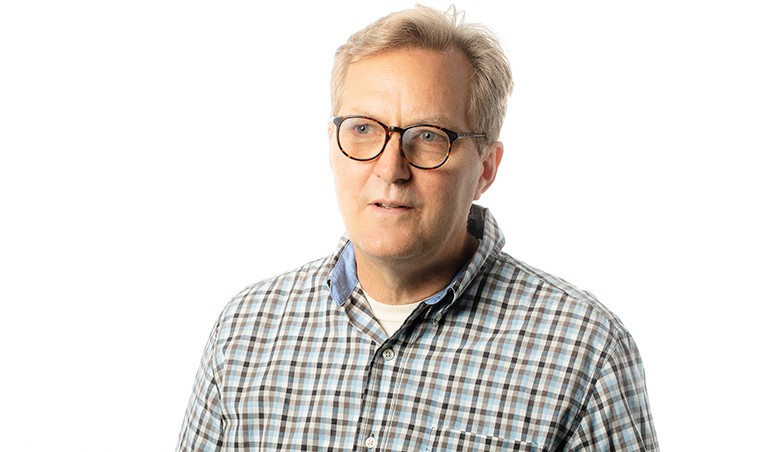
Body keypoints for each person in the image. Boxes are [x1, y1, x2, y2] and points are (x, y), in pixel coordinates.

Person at [177, 5, 658, 451]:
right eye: (363, 128)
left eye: (428, 137)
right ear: (332, 145)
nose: (390, 168)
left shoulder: (585, 351)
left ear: (486, 169)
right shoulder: (244, 332)